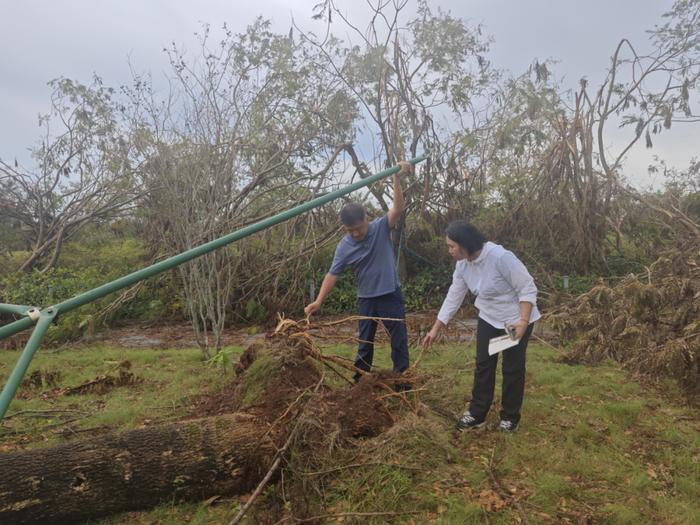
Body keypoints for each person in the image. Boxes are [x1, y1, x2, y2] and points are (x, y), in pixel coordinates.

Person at [422, 221, 540, 432]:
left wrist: (522, 322)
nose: (449, 251)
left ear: (465, 244)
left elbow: (527, 287)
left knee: (512, 367)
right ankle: (477, 414)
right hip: (489, 319)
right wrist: (436, 327)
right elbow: (454, 295)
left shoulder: (500, 257)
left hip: (514, 320)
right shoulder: (463, 264)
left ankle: (510, 417)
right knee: (484, 364)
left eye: (452, 246)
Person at [305, 160, 413, 382]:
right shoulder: (345, 246)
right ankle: (360, 380)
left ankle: (402, 379)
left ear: (366, 219)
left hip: (389, 294)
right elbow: (332, 274)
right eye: (350, 231)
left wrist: (396, 178)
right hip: (366, 299)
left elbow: (398, 208)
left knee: (398, 339)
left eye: (358, 228)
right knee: (365, 342)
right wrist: (318, 301)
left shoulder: (380, 227)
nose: (355, 234)